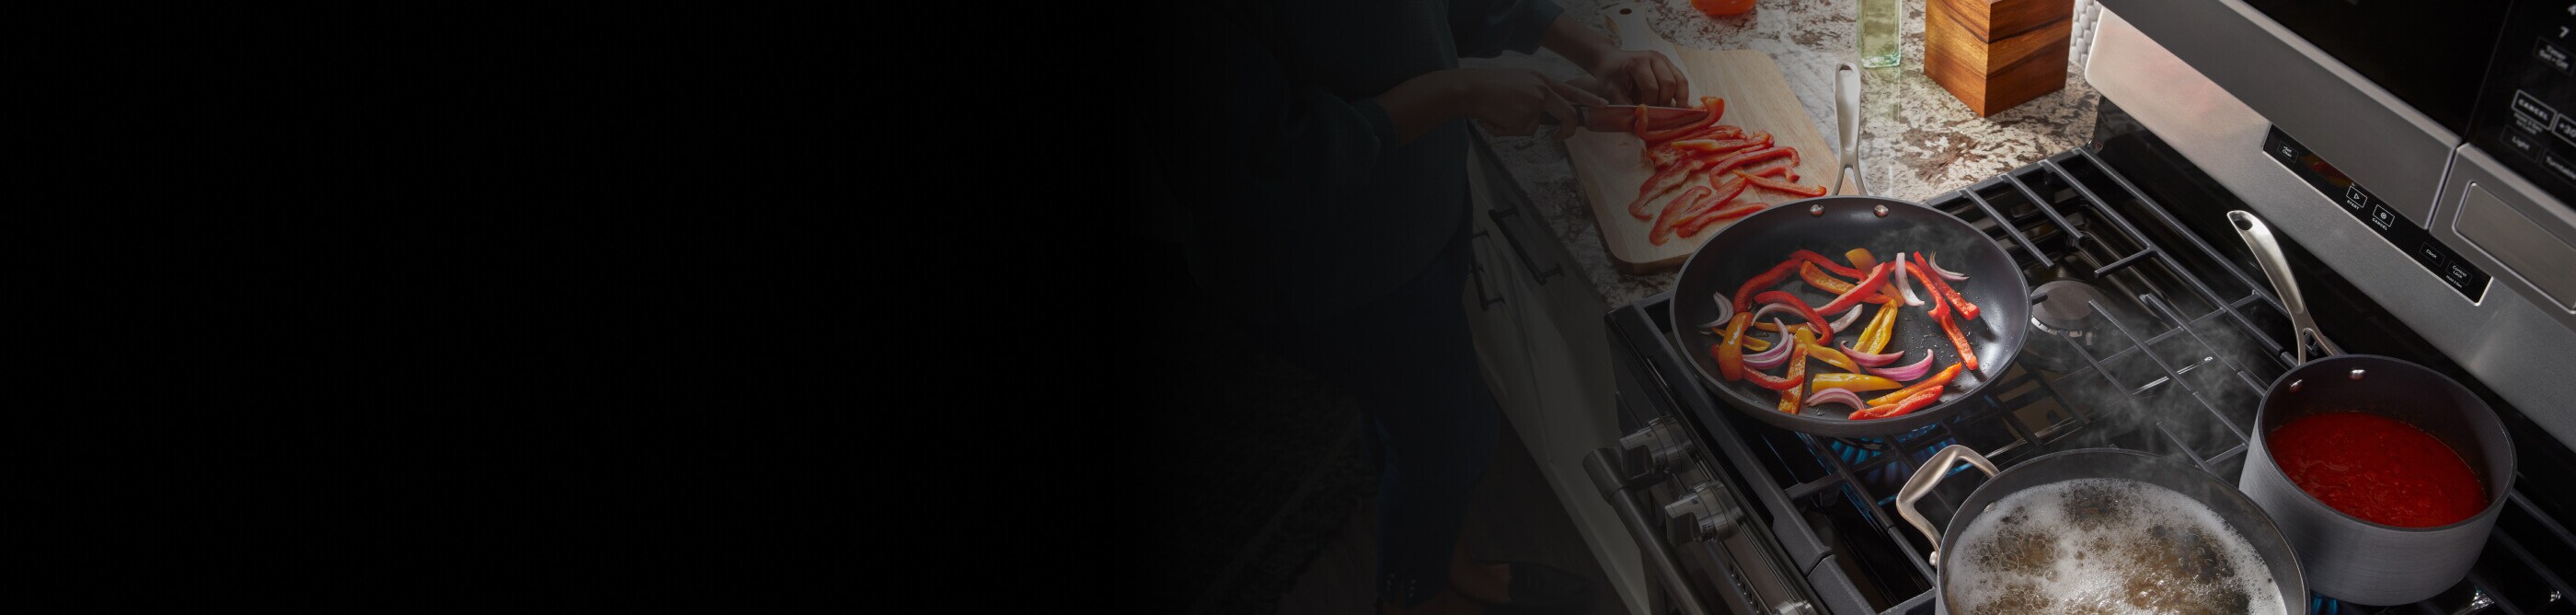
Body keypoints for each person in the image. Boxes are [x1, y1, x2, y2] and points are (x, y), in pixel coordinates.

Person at [1138, 0, 1690, 612]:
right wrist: (1458, 91)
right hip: (1327, 266)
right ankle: (1411, 598)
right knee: (1452, 443)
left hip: (1420, 209)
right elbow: (1262, 164)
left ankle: (1443, 564)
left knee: (1404, 421)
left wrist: (1597, 50)